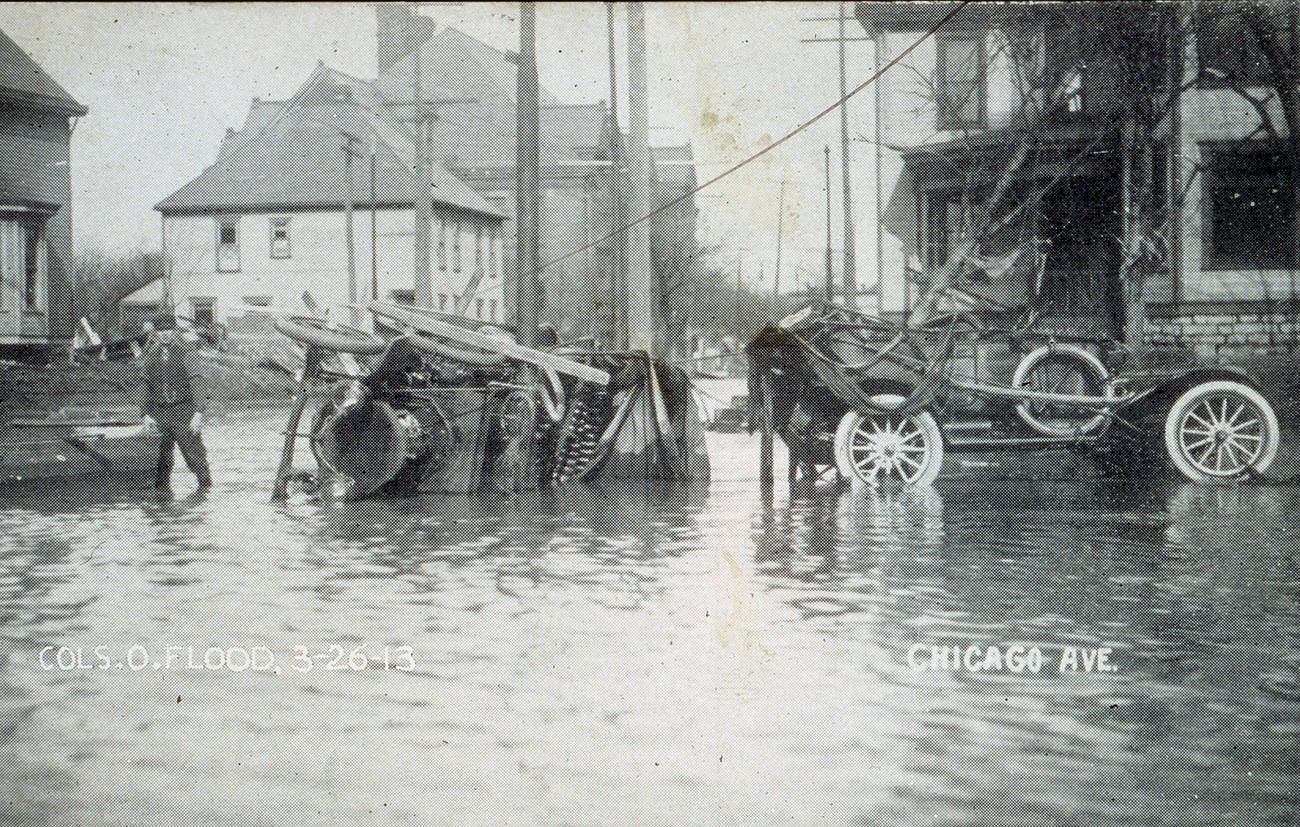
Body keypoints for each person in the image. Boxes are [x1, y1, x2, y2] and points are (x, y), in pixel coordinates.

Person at [140, 313, 212, 489]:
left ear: (174, 330)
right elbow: (144, 384)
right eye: (161, 330)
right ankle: (162, 506)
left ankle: (205, 494)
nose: (165, 334)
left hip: (184, 412)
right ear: (155, 333)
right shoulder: (151, 354)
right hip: (159, 413)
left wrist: (198, 413)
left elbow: (197, 381)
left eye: (168, 329)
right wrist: (145, 414)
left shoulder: (186, 351)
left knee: (195, 459)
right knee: (160, 465)